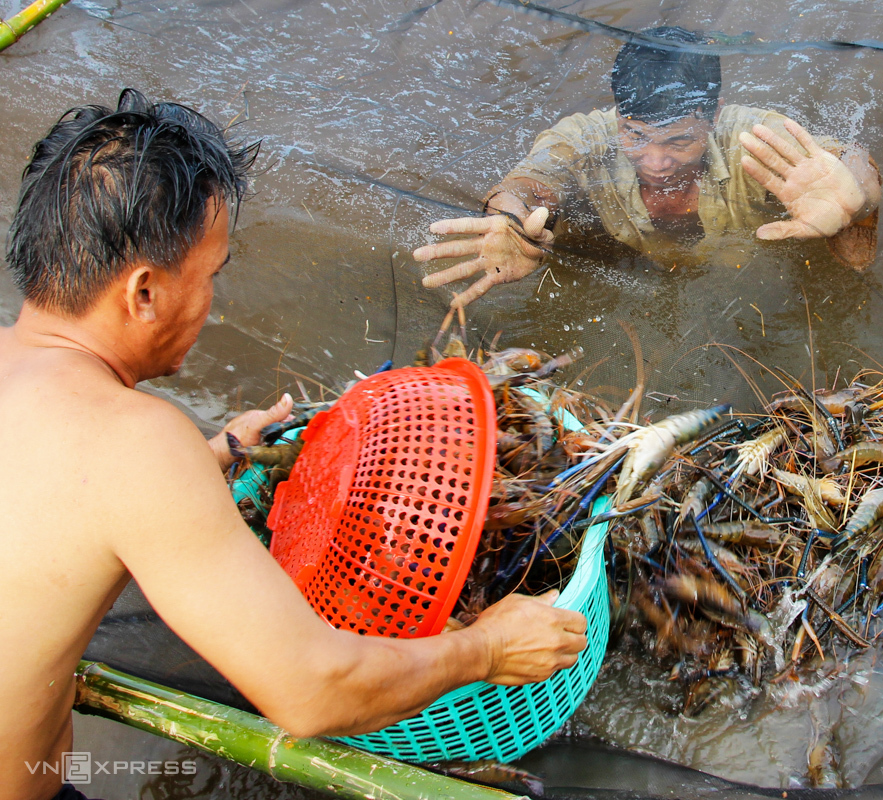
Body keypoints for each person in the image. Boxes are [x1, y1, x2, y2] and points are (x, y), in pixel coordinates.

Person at [0, 89, 587, 800]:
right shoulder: (135, 444)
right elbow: (313, 691)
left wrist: (212, 456)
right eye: (209, 277)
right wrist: (487, 647)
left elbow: (46, 508)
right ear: (144, 292)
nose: (211, 302)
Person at [414, 26, 882, 309]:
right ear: (618, 116)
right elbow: (531, 182)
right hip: (628, 256)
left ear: (713, 115)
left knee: (853, 249)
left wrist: (857, 194)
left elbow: (850, 162)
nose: (656, 162)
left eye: (680, 141)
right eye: (635, 136)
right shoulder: (585, 136)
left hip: (736, 265)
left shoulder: (754, 136)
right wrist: (508, 219)